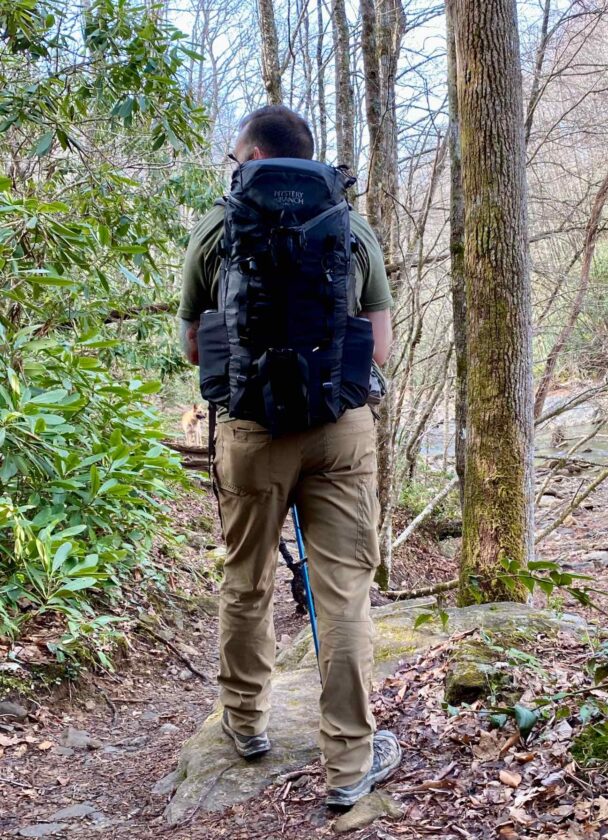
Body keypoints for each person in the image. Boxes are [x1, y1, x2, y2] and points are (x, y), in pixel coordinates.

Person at [178, 105, 400, 808]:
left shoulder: (219, 229)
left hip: (249, 434)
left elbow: (193, 346)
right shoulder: (348, 224)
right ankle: (350, 766)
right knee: (342, 595)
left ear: (250, 152)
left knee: (246, 582)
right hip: (340, 431)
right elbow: (381, 349)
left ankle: (244, 723)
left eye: (233, 154)